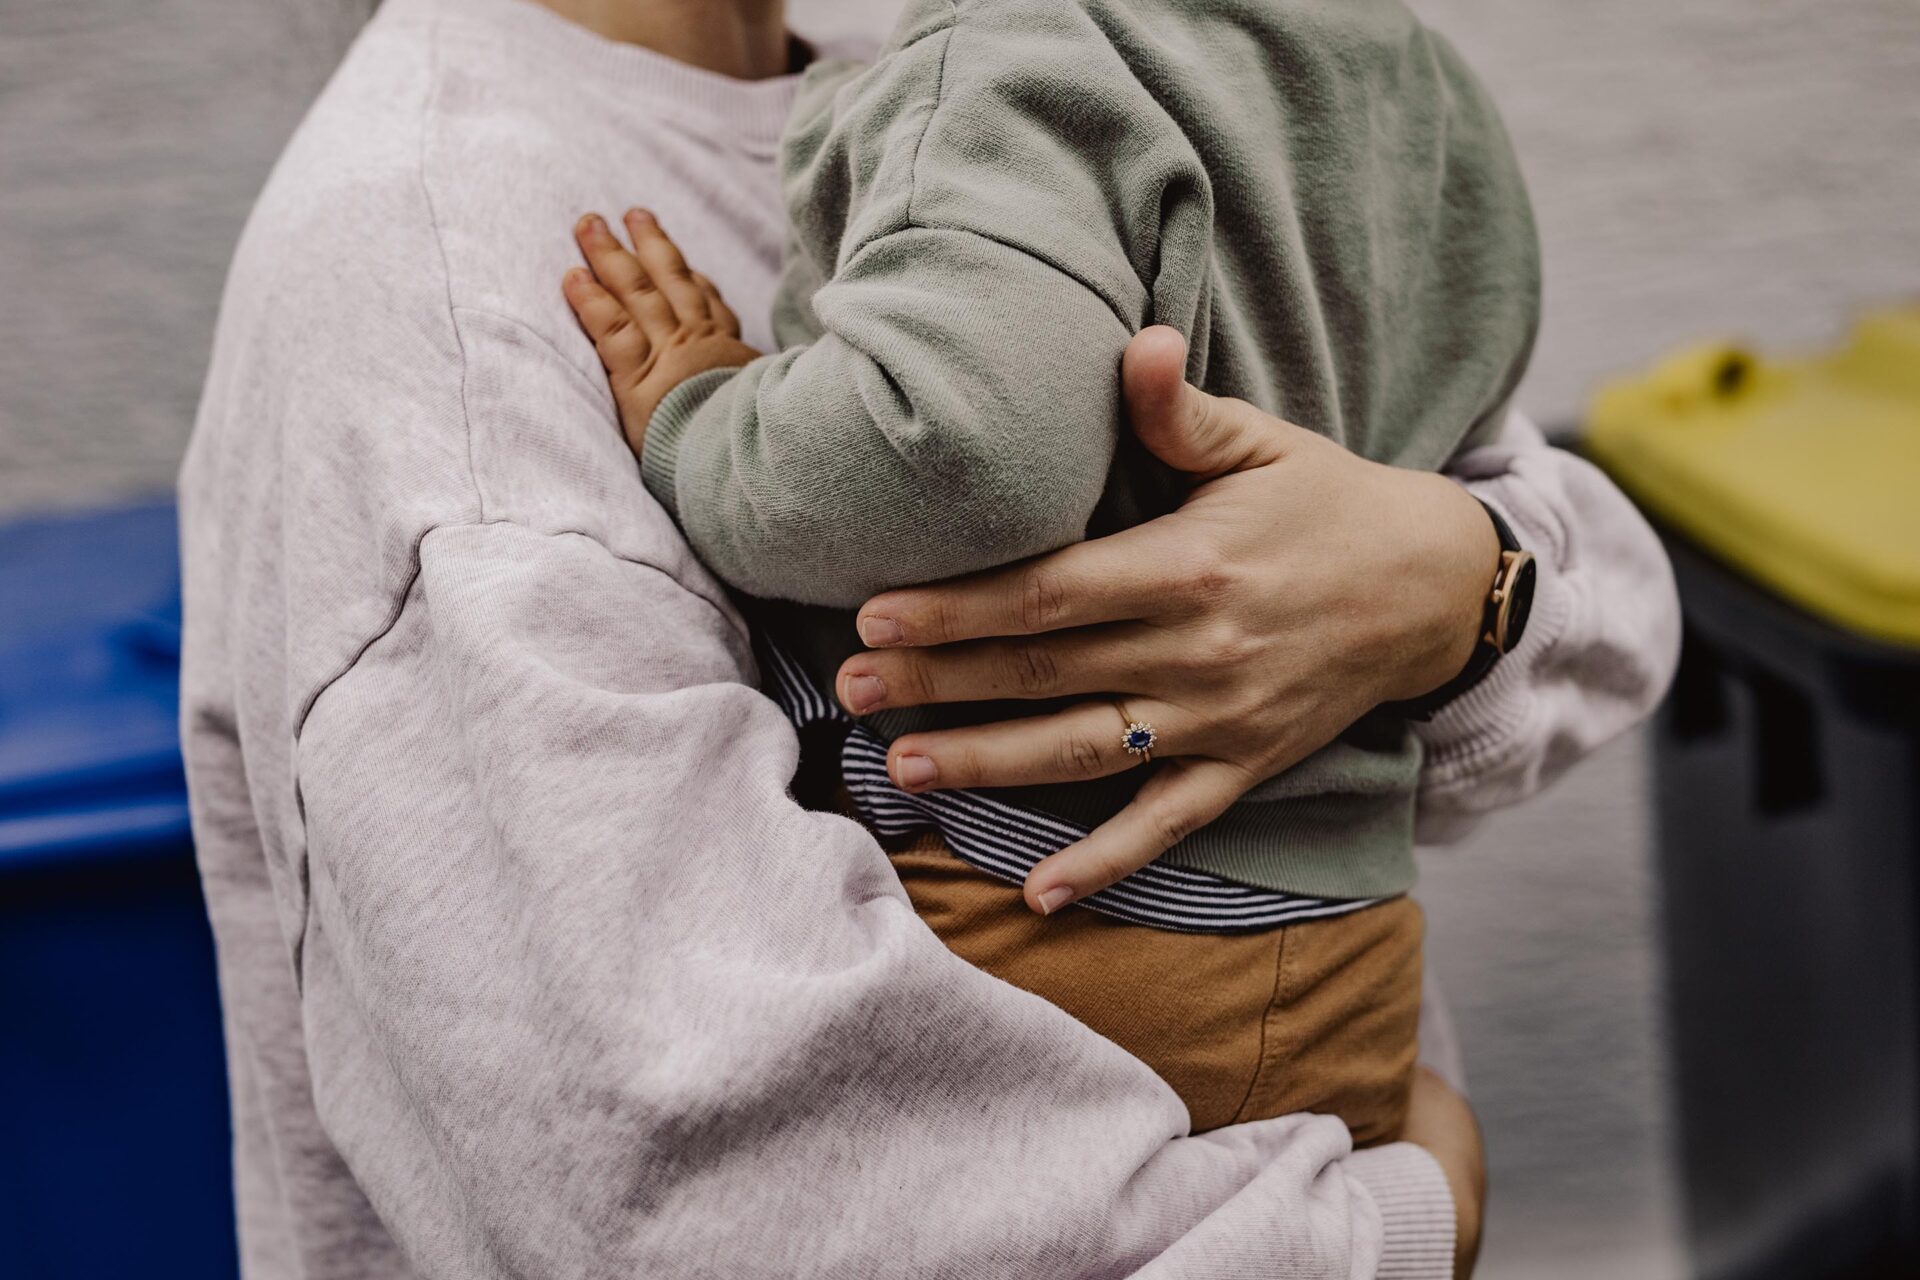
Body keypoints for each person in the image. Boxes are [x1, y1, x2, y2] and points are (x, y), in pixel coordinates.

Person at [177, 0, 1678, 1275]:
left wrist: (1452, 594)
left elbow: (1605, 598)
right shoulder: (433, 292)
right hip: (1342, 1067)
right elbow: (688, 1193)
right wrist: (1395, 1227)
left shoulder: (970, 70)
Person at [558, 0, 1539, 1143]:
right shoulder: (1424, 91)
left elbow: (956, 452)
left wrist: (705, 411)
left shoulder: (1026, 46)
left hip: (1069, 920)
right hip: (1355, 952)